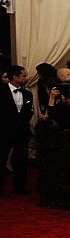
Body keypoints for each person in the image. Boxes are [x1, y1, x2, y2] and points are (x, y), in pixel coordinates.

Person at [1, 65, 34, 195]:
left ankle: (20, 186)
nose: (26, 78)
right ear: (14, 77)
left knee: (21, 160)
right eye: (23, 75)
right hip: (4, 131)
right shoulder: (2, 92)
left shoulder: (28, 94)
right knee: (1, 158)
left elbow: (28, 112)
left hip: (22, 131)